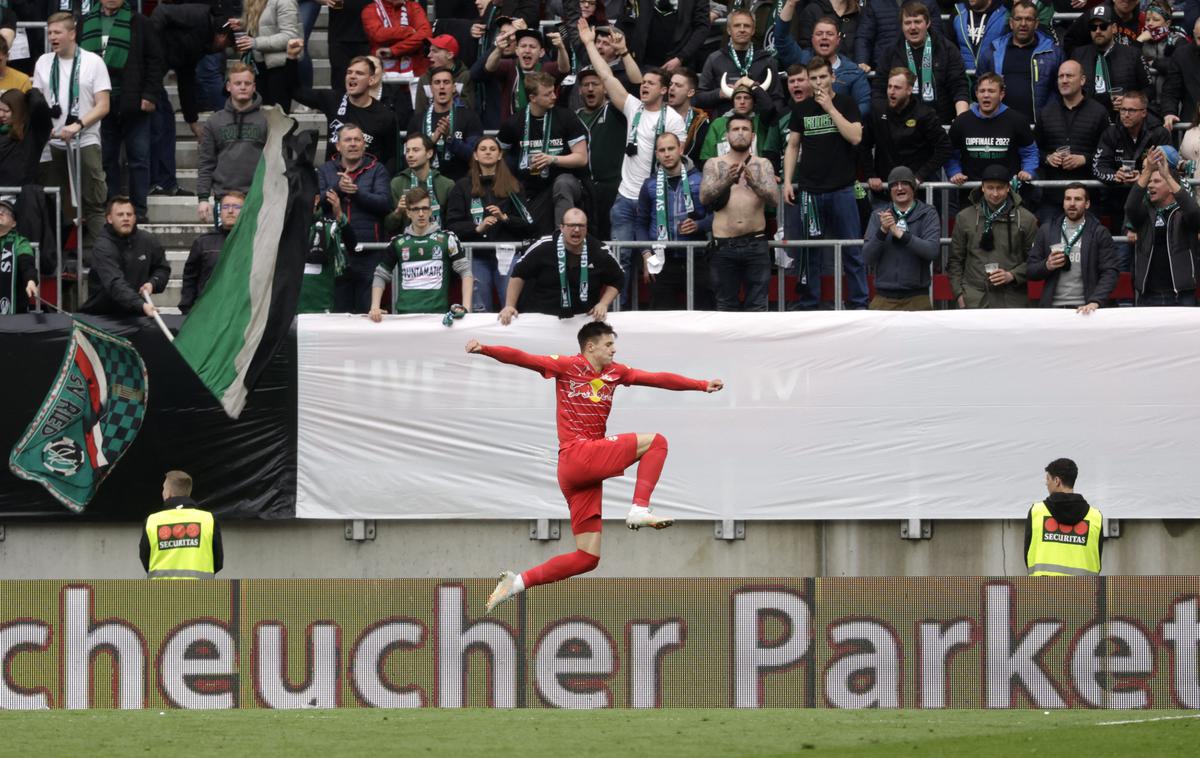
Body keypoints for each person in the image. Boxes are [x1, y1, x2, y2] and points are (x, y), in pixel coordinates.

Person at [468, 321, 724, 612]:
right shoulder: (567, 366)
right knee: (657, 442)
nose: (614, 350)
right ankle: (639, 508)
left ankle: (516, 583)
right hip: (579, 455)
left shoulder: (616, 373)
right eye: (609, 345)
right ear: (590, 347)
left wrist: (700, 385)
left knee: (587, 558)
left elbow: (657, 378)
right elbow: (523, 357)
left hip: (577, 473)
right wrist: (485, 349)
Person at [578, 20, 685, 294]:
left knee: (659, 261)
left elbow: (677, 160)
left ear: (663, 90)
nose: (644, 86)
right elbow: (606, 77)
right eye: (643, 82)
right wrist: (590, 44)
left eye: (651, 83)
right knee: (620, 259)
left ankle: (659, 314)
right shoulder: (632, 107)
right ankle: (619, 314)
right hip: (626, 197)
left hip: (657, 196)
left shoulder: (673, 120)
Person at [782, 57, 866, 310]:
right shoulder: (801, 108)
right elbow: (793, 145)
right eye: (814, 78)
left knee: (852, 250)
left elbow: (855, 137)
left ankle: (859, 303)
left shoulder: (846, 103)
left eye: (822, 77)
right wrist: (787, 181)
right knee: (811, 253)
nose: (818, 82)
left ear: (833, 77)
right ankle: (810, 303)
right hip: (810, 190)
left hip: (842, 188)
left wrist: (830, 108)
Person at [33, 12, 111, 249]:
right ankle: (58, 259)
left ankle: (101, 258)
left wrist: (78, 125)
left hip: (84, 139)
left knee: (94, 200)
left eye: (57, 32)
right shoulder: (43, 62)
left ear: (72, 33)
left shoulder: (92, 61)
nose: (52, 37)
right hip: (53, 142)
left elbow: (104, 105)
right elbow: (36, 102)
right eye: (49, 33)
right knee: (54, 202)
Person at [79, 0, 160, 224]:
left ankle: (139, 210)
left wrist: (150, 95)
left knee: (139, 159)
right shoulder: (84, 22)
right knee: (106, 160)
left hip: (133, 101)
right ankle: (113, 209)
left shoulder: (140, 22)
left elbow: (155, 60)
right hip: (98, 103)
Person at [147, 3, 234, 198]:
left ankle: (165, 183)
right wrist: (150, 45)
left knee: (165, 121)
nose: (224, 50)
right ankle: (159, 182)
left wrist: (192, 121)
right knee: (160, 123)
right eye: (227, 45)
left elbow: (186, 78)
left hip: (155, 71)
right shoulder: (199, 16)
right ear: (221, 36)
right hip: (147, 69)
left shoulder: (201, 45)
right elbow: (161, 12)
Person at [444, 135, 534, 313]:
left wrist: (505, 218)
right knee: (480, 311)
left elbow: (529, 225)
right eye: (483, 149)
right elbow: (451, 226)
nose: (488, 152)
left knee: (510, 309)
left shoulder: (513, 186)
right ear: (475, 155)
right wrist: (477, 228)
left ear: (500, 155)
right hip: (476, 256)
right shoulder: (462, 186)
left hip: (507, 255)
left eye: (492, 149)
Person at [496, 70, 589, 235]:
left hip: (566, 181)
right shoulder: (514, 123)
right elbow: (497, 157)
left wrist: (552, 159)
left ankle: (561, 237)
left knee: (562, 183)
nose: (554, 96)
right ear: (533, 98)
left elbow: (582, 158)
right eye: (547, 94)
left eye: (553, 91)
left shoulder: (565, 117)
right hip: (530, 186)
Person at [702, 113, 778, 312]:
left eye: (745, 129)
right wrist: (727, 180)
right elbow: (704, 198)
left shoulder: (763, 164)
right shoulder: (714, 163)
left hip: (756, 243)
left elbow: (774, 200)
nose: (740, 133)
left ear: (753, 136)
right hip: (724, 245)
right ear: (727, 135)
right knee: (726, 305)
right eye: (735, 129)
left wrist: (754, 183)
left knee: (758, 306)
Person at [287, 39, 398, 172]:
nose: (352, 76)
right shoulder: (333, 100)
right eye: (349, 72)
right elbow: (295, 92)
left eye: (359, 73)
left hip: (367, 183)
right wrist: (291, 58)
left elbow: (392, 158)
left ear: (371, 80)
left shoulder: (385, 116)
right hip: (332, 179)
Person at [317, 123, 392, 313]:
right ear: (338, 146)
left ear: (364, 144)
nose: (353, 144)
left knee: (369, 312)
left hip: (369, 251)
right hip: (336, 251)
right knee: (339, 313)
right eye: (347, 140)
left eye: (357, 139)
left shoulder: (378, 169)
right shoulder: (325, 170)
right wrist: (339, 188)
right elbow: (318, 203)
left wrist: (357, 192)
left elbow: (384, 204)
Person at [501, 208, 621, 322]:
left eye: (581, 226)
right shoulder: (544, 246)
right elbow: (518, 274)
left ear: (586, 228)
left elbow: (618, 279)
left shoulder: (599, 250)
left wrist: (603, 303)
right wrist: (509, 306)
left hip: (583, 320)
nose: (576, 230)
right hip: (542, 318)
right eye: (571, 225)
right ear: (562, 227)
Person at [636, 132, 713, 310]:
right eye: (662, 150)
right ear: (656, 154)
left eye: (671, 148)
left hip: (696, 257)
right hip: (662, 260)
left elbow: (717, 216)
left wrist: (699, 225)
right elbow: (640, 223)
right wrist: (647, 254)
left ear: (680, 149)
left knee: (704, 315)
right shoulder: (649, 184)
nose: (667, 154)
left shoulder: (700, 180)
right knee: (662, 318)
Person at [370, 187, 471, 317]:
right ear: (408, 213)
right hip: (405, 317)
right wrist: (374, 307)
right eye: (416, 209)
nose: (421, 214)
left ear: (430, 211)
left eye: (425, 208)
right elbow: (380, 274)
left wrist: (466, 307)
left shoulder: (447, 239)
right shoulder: (398, 243)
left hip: (438, 317)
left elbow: (465, 271)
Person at [948, 164, 1038, 309]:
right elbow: (955, 261)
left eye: (1000, 188)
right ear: (982, 187)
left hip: (1012, 301)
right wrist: (959, 295)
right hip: (974, 300)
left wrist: (1012, 275)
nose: (995, 193)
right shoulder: (965, 217)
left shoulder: (1026, 219)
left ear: (1008, 187)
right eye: (990, 188)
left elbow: (1035, 260)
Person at [1036, 60, 1111, 223]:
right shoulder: (1046, 112)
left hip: (1088, 198)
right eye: (1060, 76)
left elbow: (1108, 153)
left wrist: (1084, 159)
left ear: (1082, 80)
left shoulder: (1098, 112)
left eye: (1069, 76)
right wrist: (1048, 158)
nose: (1064, 80)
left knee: (1088, 247)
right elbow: (1035, 150)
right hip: (1053, 197)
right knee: (1052, 247)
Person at [1125, 146, 1200, 306]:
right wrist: (1148, 171)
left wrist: (1167, 174)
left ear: (1171, 186)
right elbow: (1130, 207)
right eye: (1149, 182)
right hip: (1148, 296)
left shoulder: (1183, 213)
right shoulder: (1145, 213)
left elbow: (1194, 213)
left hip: (1181, 295)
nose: (1150, 185)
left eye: (1157, 181)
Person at [1027, 183, 1120, 311]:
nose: (1072, 203)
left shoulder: (1099, 232)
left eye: (1077, 199)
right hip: (1053, 308)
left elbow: (1110, 272)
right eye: (1068, 199)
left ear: (1087, 204)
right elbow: (1031, 270)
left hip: (1086, 308)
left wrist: (1095, 301)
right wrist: (1047, 265)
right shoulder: (1047, 230)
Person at [865, 68, 953, 196]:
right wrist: (870, 174)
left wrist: (920, 176)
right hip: (884, 190)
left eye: (897, 88)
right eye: (889, 87)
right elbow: (863, 145)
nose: (891, 92)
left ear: (909, 90)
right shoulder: (877, 111)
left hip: (918, 192)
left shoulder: (925, 114)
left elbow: (945, 148)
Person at [196, 63, 266, 225]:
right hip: (225, 199)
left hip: (257, 197)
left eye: (247, 83)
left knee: (254, 249)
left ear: (254, 87)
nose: (243, 87)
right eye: (237, 83)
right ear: (228, 86)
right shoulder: (214, 121)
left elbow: (277, 162)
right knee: (222, 248)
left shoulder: (267, 120)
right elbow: (206, 162)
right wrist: (203, 198)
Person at [1094, 89, 1171, 235]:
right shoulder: (1111, 133)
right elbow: (1098, 166)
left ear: (1143, 112)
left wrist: (1143, 177)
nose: (1126, 114)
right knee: (1122, 254)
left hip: (1153, 204)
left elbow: (1168, 169)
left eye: (1131, 110)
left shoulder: (1159, 133)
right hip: (1119, 203)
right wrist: (1115, 176)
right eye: (1123, 110)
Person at [862, 167, 940, 311]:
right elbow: (867, 257)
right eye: (894, 185)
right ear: (890, 190)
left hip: (918, 298)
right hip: (883, 298)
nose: (899, 188)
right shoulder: (878, 215)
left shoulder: (928, 213)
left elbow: (932, 251)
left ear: (913, 187)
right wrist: (883, 231)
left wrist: (901, 235)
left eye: (904, 183)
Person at [976, 0, 1063, 124]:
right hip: (1001, 127)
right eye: (1018, 19)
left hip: (1040, 128)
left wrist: (1048, 117)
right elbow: (978, 85)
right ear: (1011, 22)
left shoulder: (1053, 52)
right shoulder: (993, 51)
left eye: (1028, 19)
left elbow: (1060, 91)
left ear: (1036, 23)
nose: (1023, 24)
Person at [80, 196, 168, 316]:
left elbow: (162, 268)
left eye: (129, 214)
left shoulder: (148, 240)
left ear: (135, 218)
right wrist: (141, 305)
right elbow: (115, 283)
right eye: (120, 215)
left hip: (137, 314)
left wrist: (153, 283)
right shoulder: (102, 246)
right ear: (110, 219)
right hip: (103, 317)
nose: (126, 218)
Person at [883, 2, 970, 125]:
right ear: (901, 26)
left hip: (940, 124)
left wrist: (961, 120)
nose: (913, 27)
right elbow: (879, 89)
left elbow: (959, 87)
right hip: (900, 125)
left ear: (928, 23)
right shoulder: (890, 52)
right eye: (907, 23)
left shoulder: (948, 49)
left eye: (917, 22)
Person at [775, 9, 871, 117]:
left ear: (838, 40)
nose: (824, 37)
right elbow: (781, 38)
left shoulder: (853, 71)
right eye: (819, 34)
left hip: (840, 129)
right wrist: (791, 4)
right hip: (805, 127)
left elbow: (865, 104)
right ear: (812, 39)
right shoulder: (801, 59)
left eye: (829, 34)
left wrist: (842, 121)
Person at [947, 73, 1038, 185]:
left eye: (991, 91)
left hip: (1008, 190)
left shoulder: (1017, 120)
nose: (986, 95)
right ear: (976, 94)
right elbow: (950, 154)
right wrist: (955, 172)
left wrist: (1028, 171)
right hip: (971, 191)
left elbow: (1030, 152)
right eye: (982, 91)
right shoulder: (961, 121)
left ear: (1001, 94)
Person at [1024, 458, 1103, 577]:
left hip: (1042, 591)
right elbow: (1098, 558)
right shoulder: (1095, 516)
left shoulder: (1037, 512)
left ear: (1057, 481)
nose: (1046, 483)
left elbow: (1027, 555)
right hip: (1083, 592)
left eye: (1048, 479)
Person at [140, 470, 224, 580]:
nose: (162, 492)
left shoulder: (152, 521)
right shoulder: (208, 520)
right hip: (200, 594)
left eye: (163, 488)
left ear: (168, 493)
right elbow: (218, 562)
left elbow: (146, 560)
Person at [696, 9, 781, 115]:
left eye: (747, 26)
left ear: (753, 30)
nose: (742, 30)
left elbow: (777, 99)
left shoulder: (767, 60)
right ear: (728, 30)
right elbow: (698, 98)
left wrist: (758, 92)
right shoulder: (715, 59)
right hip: (724, 125)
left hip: (758, 123)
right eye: (737, 25)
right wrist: (721, 93)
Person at [407, 67, 482, 186]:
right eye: (437, 82)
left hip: (461, 182)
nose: (442, 86)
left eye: (446, 82)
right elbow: (409, 158)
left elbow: (475, 156)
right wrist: (430, 141)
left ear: (453, 88)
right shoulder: (417, 120)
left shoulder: (470, 117)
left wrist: (450, 139)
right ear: (431, 89)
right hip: (425, 183)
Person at [575, 66, 626, 240]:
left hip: (613, 187)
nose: (590, 88)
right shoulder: (573, 118)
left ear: (605, 88)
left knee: (610, 237)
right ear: (580, 90)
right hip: (584, 188)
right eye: (585, 84)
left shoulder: (616, 112)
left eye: (595, 84)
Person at [1072, 5, 1150, 117]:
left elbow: (1149, 89)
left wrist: (1129, 101)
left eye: (1103, 26)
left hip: (1125, 119)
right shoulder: (1078, 55)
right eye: (1093, 27)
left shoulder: (1133, 54)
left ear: (1114, 28)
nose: (1098, 31)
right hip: (1089, 118)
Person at [484, 27, 568, 125]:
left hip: (543, 128)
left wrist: (561, 47)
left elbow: (564, 68)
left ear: (541, 52)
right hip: (513, 128)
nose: (527, 50)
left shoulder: (547, 68)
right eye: (523, 46)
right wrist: (498, 49)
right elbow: (489, 67)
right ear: (517, 50)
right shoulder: (509, 66)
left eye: (532, 47)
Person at [179, 191, 243, 315]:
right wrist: (187, 309)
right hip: (207, 312)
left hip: (240, 314)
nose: (230, 211)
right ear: (219, 211)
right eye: (225, 207)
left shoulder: (254, 242)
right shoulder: (203, 242)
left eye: (236, 207)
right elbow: (190, 278)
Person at [385, 133, 456, 235]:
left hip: (439, 245)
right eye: (408, 150)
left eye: (415, 150)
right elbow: (388, 226)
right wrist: (398, 212)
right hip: (407, 246)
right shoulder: (397, 183)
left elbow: (453, 224)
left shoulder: (446, 184)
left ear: (429, 153)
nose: (409, 155)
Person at [299, 191, 355, 314]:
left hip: (321, 307)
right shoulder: (285, 228)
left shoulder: (330, 227)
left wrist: (339, 214)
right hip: (290, 310)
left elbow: (352, 245)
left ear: (316, 199)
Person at [855, 0, 943, 78]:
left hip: (922, 69)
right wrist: (862, 61)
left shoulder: (929, 2)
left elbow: (936, 37)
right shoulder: (875, 3)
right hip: (886, 70)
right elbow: (864, 37)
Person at [699, 84, 781, 165]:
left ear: (753, 102)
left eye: (747, 98)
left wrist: (753, 85)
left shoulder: (760, 121)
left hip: (756, 174)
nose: (742, 102)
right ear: (733, 102)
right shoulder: (718, 124)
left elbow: (769, 108)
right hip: (724, 175)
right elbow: (707, 158)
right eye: (738, 98)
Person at [618, 0, 710, 69]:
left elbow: (702, 28)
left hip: (678, 63)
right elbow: (625, 21)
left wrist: (681, 57)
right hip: (642, 61)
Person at [1139, 0, 1190, 107]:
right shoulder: (1141, 40)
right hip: (1146, 103)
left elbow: (1178, 66)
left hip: (1174, 103)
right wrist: (1138, 41)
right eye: (1147, 20)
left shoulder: (1178, 40)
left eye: (1156, 20)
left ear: (1167, 23)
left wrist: (1153, 63)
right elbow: (1128, 63)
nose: (1150, 24)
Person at [0, 87, 51, 186]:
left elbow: (39, 105)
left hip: (20, 194)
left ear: (18, 110)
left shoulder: (33, 131)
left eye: (6, 111)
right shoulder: (2, 130)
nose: (1, 114)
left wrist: (29, 93)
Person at [414, 35, 474, 114]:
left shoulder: (465, 77)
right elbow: (419, 115)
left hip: (457, 124)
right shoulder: (424, 79)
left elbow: (469, 112)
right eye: (430, 51)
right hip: (431, 124)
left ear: (449, 55)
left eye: (434, 51)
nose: (429, 55)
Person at [1161, 18, 1200, 131]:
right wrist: (1169, 112)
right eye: (1199, 38)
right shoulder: (1182, 55)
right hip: (1193, 124)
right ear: (1193, 33)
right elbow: (1171, 90)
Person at [0, 196, 37, 314]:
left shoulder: (20, 242)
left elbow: (26, 263)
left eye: (5, 212)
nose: (0, 213)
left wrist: (31, 281)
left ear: (13, 223)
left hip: (14, 310)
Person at [950, 0, 1009, 74]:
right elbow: (951, 47)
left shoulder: (1004, 16)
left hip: (992, 79)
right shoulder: (958, 13)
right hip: (963, 77)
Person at [667, 68, 709, 166]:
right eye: (670, 84)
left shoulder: (701, 122)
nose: (672, 88)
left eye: (678, 85)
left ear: (690, 93)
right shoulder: (659, 115)